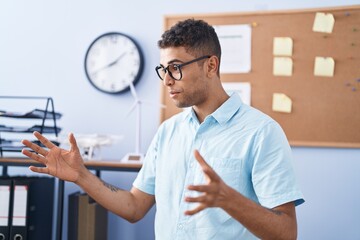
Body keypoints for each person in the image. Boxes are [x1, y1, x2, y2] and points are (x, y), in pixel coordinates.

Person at [22, 19, 304, 239]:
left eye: (176, 67)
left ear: (211, 65)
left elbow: (286, 233)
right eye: (163, 69)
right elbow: (134, 207)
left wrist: (230, 201)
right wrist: (81, 177)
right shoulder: (169, 131)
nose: (167, 80)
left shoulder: (261, 132)